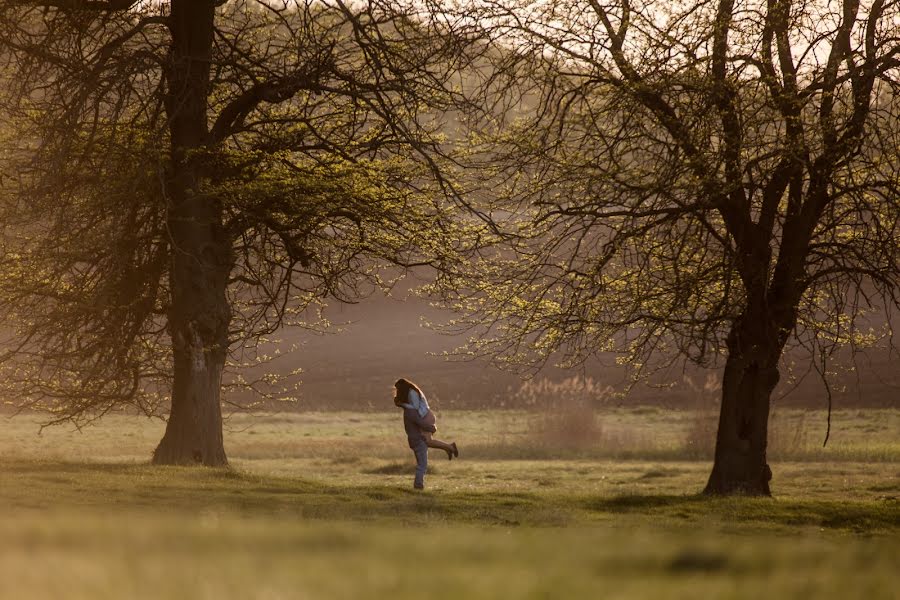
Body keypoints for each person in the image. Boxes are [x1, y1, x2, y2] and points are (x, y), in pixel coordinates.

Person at [394, 378, 459, 490]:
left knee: (427, 442)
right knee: (427, 442)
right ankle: (449, 447)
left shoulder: (412, 392)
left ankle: (449, 447)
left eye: (398, 389)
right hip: (422, 417)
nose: (397, 392)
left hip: (425, 417)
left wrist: (403, 405)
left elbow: (414, 408)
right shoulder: (410, 396)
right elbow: (413, 411)